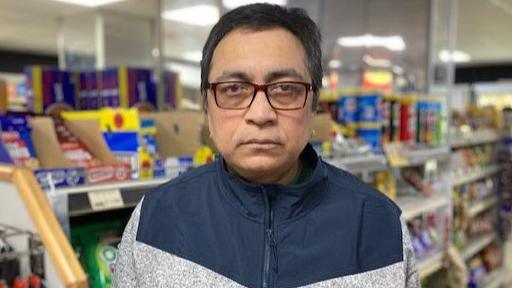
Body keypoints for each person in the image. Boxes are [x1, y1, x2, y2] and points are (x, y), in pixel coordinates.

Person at [113, 3, 419, 287]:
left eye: (285, 88)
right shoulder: (154, 220)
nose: (260, 114)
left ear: (314, 105)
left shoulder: (380, 226)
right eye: (234, 88)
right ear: (206, 105)